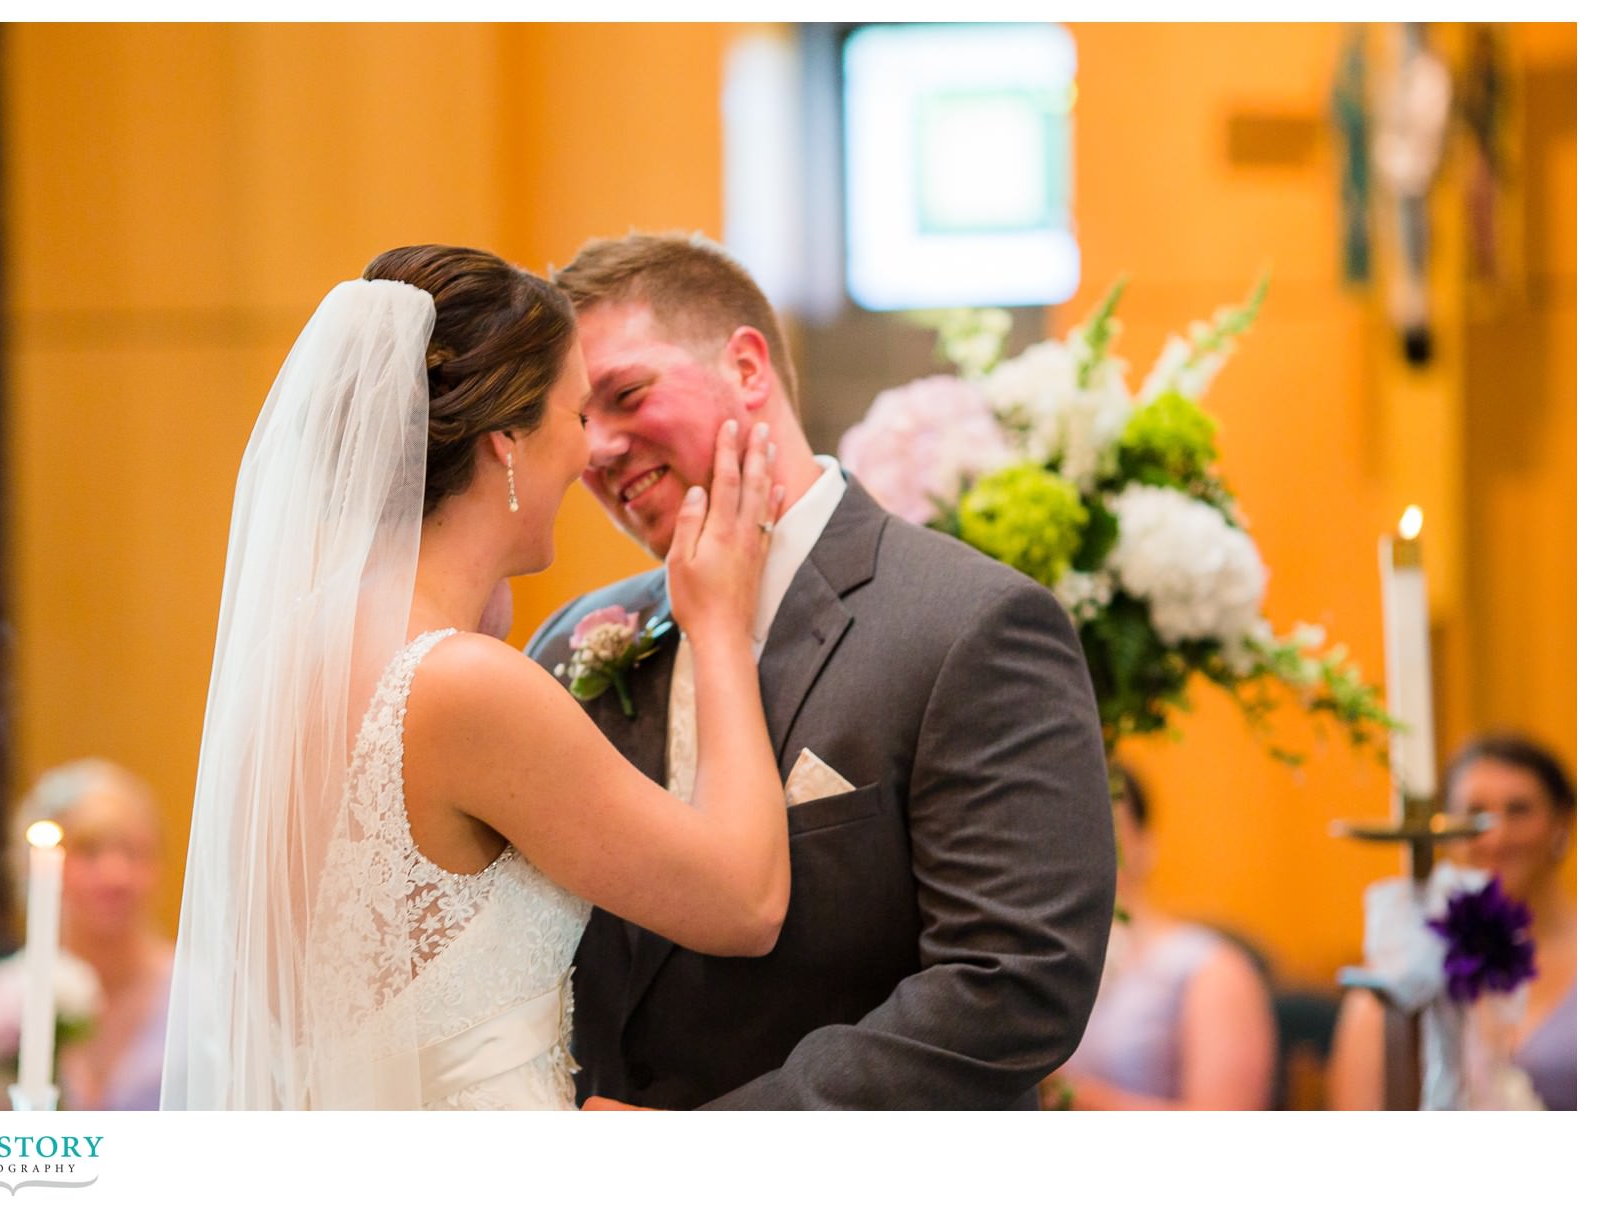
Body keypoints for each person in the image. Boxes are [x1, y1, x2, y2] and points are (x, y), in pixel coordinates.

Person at [161, 244, 787, 1109]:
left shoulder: (288, 666)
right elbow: (745, 901)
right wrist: (717, 624)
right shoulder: (461, 686)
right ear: (504, 447)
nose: (590, 450)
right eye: (574, 415)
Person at [527, 231, 1116, 1109]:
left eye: (628, 394)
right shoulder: (577, 641)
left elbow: (1011, 987)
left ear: (748, 367)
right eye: (580, 420)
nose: (598, 450)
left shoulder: (969, 625)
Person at [1327, 732, 1576, 1110]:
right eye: (1474, 814)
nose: (1495, 837)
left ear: (1563, 823)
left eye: (1519, 810)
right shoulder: (1401, 969)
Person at [0, 759, 173, 1110]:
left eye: (133, 853)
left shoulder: (208, 1002)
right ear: (35, 865)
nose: (116, 875)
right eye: (90, 850)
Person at [1049, 764, 1277, 1110]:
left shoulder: (1210, 968)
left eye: (1106, 833)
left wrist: (1071, 1098)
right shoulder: (1046, 962)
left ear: (1144, 845)